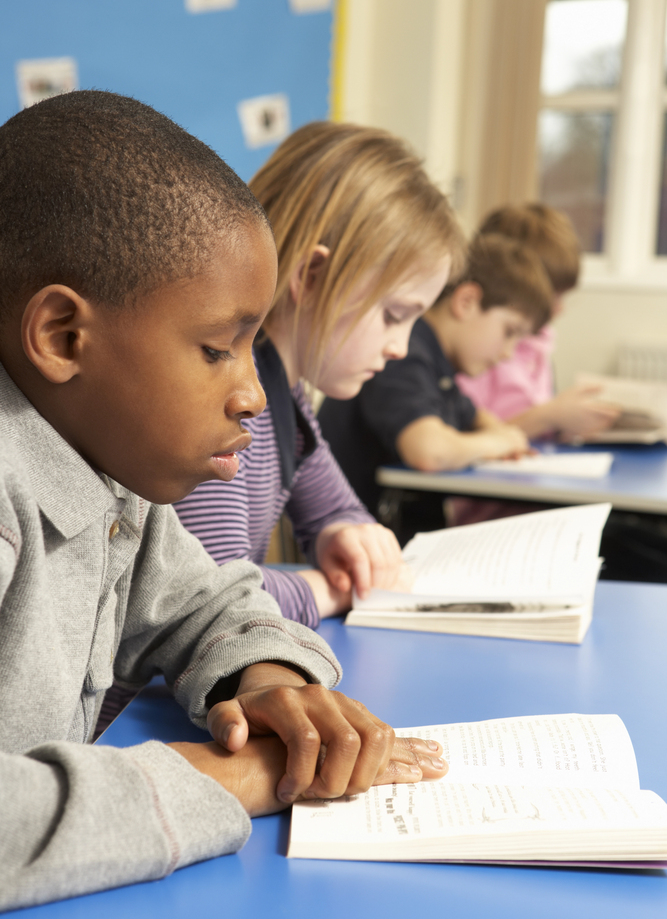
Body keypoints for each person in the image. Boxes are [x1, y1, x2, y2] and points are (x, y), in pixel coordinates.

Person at [0, 92, 448, 912]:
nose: (250, 392)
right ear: (63, 336)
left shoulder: (109, 474)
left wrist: (273, 686)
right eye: (216, 349)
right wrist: (233, 773)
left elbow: (208, 601)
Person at [175, 122, 464, 623]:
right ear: (311, 275)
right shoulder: (226, 398)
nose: (401, 347)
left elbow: (337, 511)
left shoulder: (287, 398)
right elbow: (211, 597)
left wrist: (346, 534)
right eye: (394, 316)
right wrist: (333, 591)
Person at [319, 233, 552, 538]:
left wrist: (504, 436)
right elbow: (428, 451)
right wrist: (499, 444)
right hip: (354, 537)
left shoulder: (439, 364)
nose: (508, 352)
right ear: (466, 302)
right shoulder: (407, 352)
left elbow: (481, 420)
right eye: (509, 332)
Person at [457, 203, 619, 440]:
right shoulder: (477, 346)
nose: (558, 308)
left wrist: (567, 423)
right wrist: (549, 416)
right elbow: (466, 435)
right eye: (550, 297)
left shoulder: (539, 341)